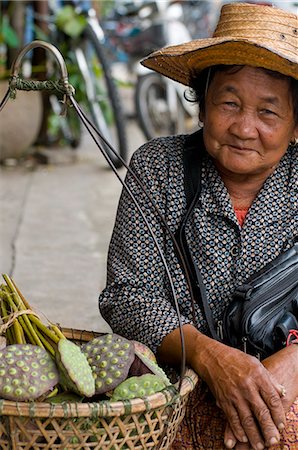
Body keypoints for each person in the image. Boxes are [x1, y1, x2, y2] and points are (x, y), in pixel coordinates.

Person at [98, 2, 298, 449]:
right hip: (175, 388)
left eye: (268, 112)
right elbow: (127, 297)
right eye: (229, 102)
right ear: (203, 103)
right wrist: (212, 358)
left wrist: (293, 364)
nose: (244, 127)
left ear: (295, 124)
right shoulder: (158, 168)